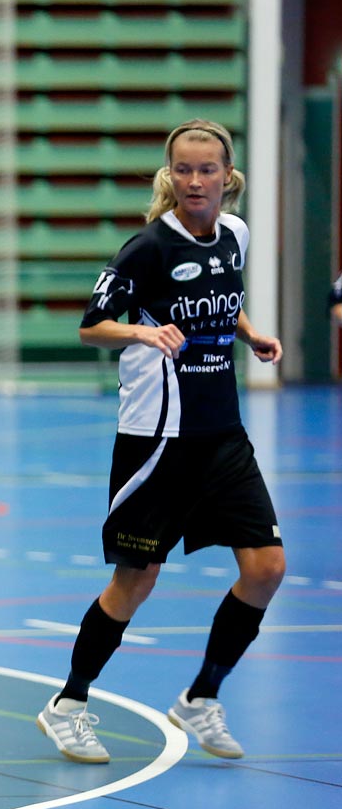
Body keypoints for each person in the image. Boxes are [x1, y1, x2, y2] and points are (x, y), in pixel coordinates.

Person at [36, 119, 286, 764]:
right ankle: (69, 704)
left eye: (207, 170)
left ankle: (201, 696)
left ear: (227, 177)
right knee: (136, 578)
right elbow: (92, 327)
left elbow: (220, 296)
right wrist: (142, 334)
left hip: (221, 432)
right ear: (169, 175)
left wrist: (249, 334)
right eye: (183, 169)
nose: (195, 181)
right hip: (157, 438)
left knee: (266, 568)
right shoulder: (145, 248)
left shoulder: (235, 234)